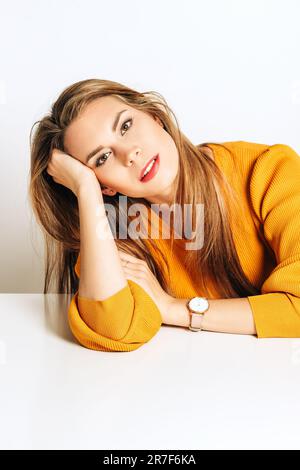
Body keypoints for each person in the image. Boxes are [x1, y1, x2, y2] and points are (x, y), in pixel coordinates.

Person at [29, 78, 300, 352]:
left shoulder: (268, 169)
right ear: (106, 187)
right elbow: (113, 328)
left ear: (154, 116)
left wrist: (174, 309)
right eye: (102, 158)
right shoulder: (118, 228)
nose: (129, 154)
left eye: (125, 126)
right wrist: (86, 189)